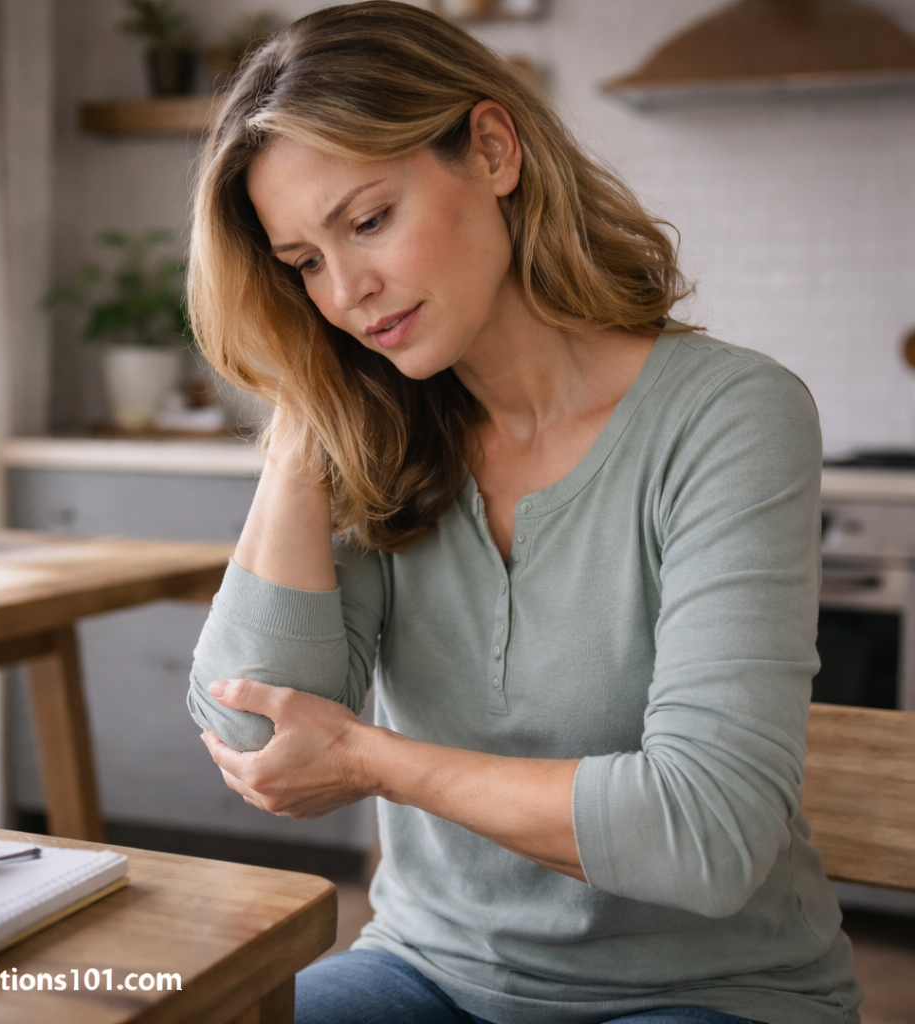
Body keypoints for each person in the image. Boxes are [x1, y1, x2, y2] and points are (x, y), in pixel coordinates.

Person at [184, 4, 861, 1023]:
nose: (348, 292)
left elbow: (707, 837)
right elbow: (250, 733)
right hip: (427, 967)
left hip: (709, 993)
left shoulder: (729, 414)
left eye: (367, 220)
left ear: (492, 149)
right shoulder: (380, 434)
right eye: (303, 263)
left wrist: (372, 759)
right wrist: (301, 422)